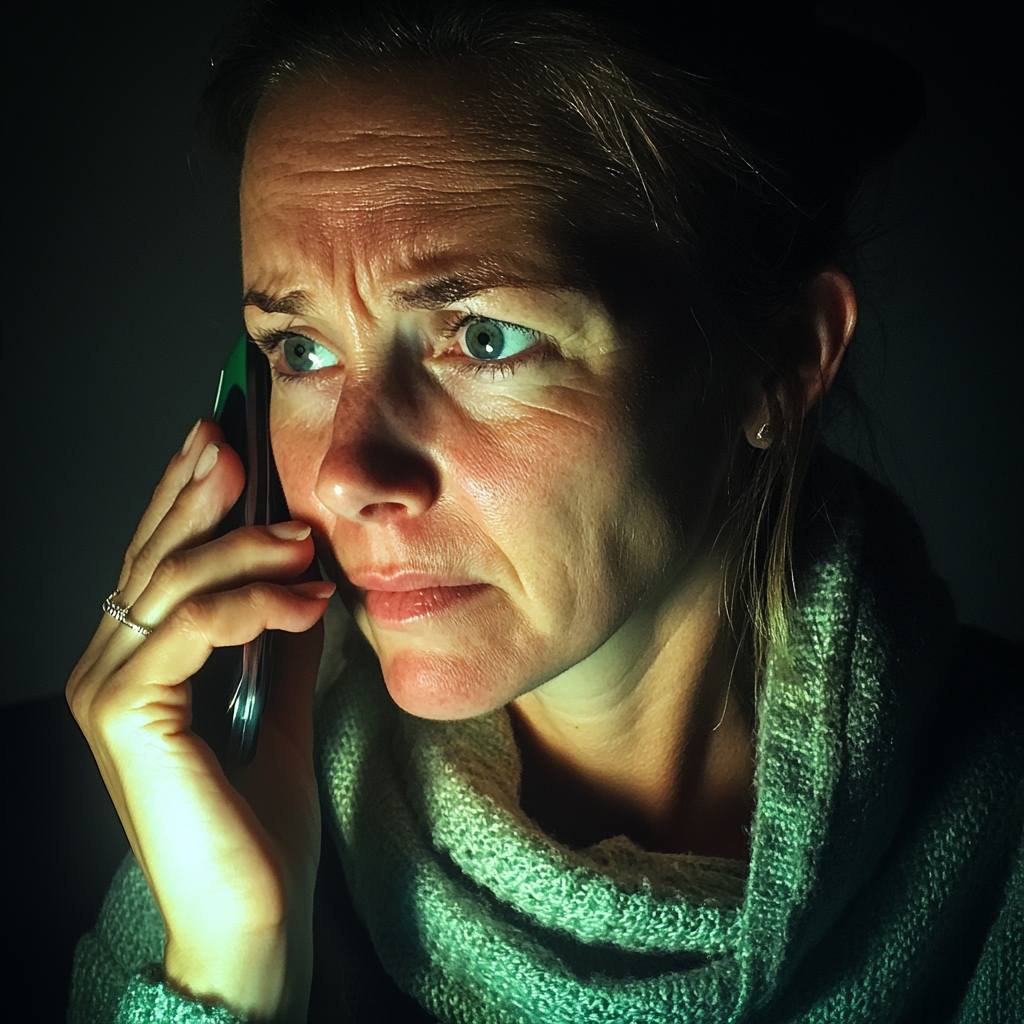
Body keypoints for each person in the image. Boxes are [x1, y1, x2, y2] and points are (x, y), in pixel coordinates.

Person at [66, 2, 1022, 1021]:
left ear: (779, 362)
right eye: (299, 351)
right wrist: (230, 957)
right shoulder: (228, 812)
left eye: (482, 340)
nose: (346, 472)